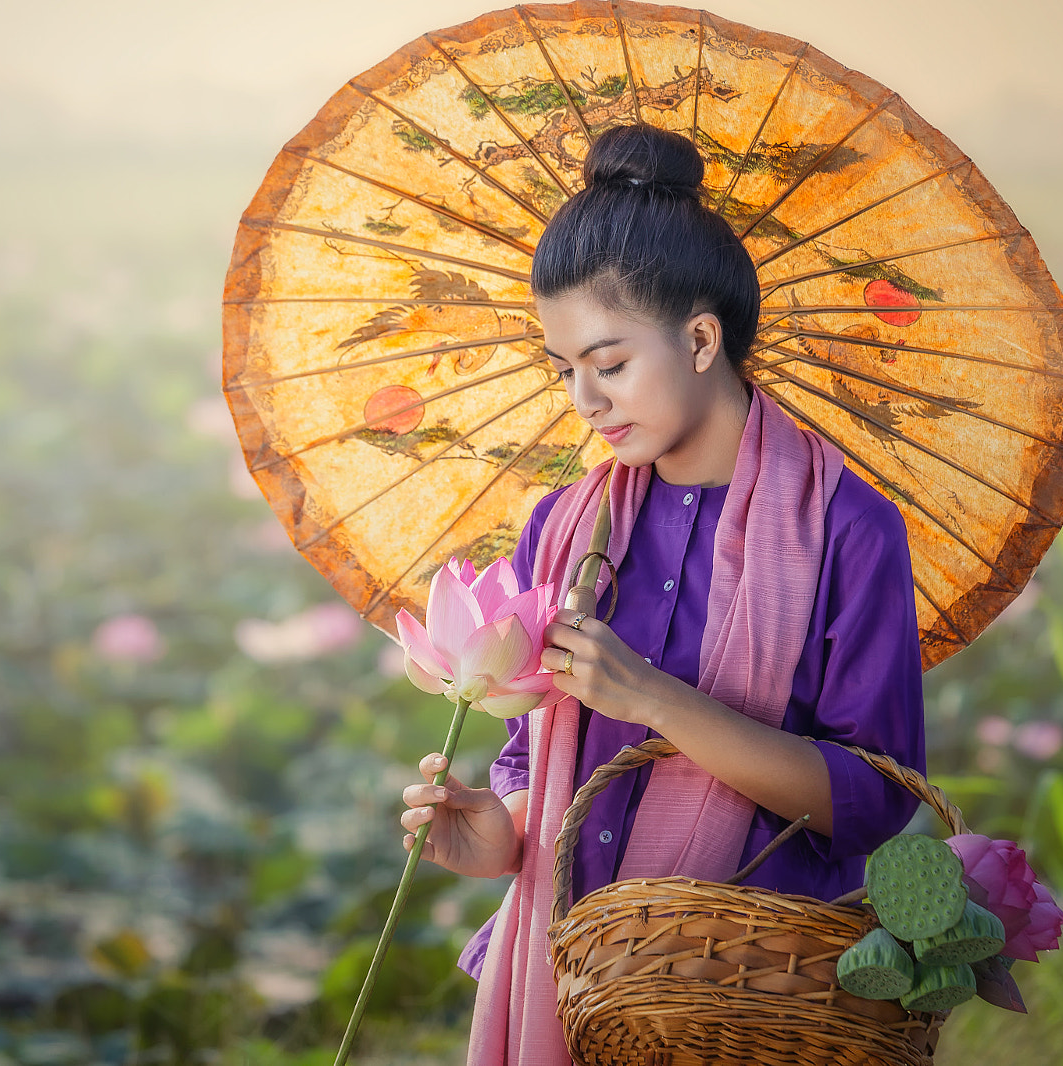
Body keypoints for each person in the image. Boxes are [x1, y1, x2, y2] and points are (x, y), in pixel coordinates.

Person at [397, 123, 927, 1065]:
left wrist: (654, 701)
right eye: (564, 370)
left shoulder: (849, 527)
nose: (585, 401)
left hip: (753, 996)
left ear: (698, 337)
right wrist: (502, 836)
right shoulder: (562, 527)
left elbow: (876, 802)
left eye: (609, 363)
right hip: (579, 973)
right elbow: (534, 765)